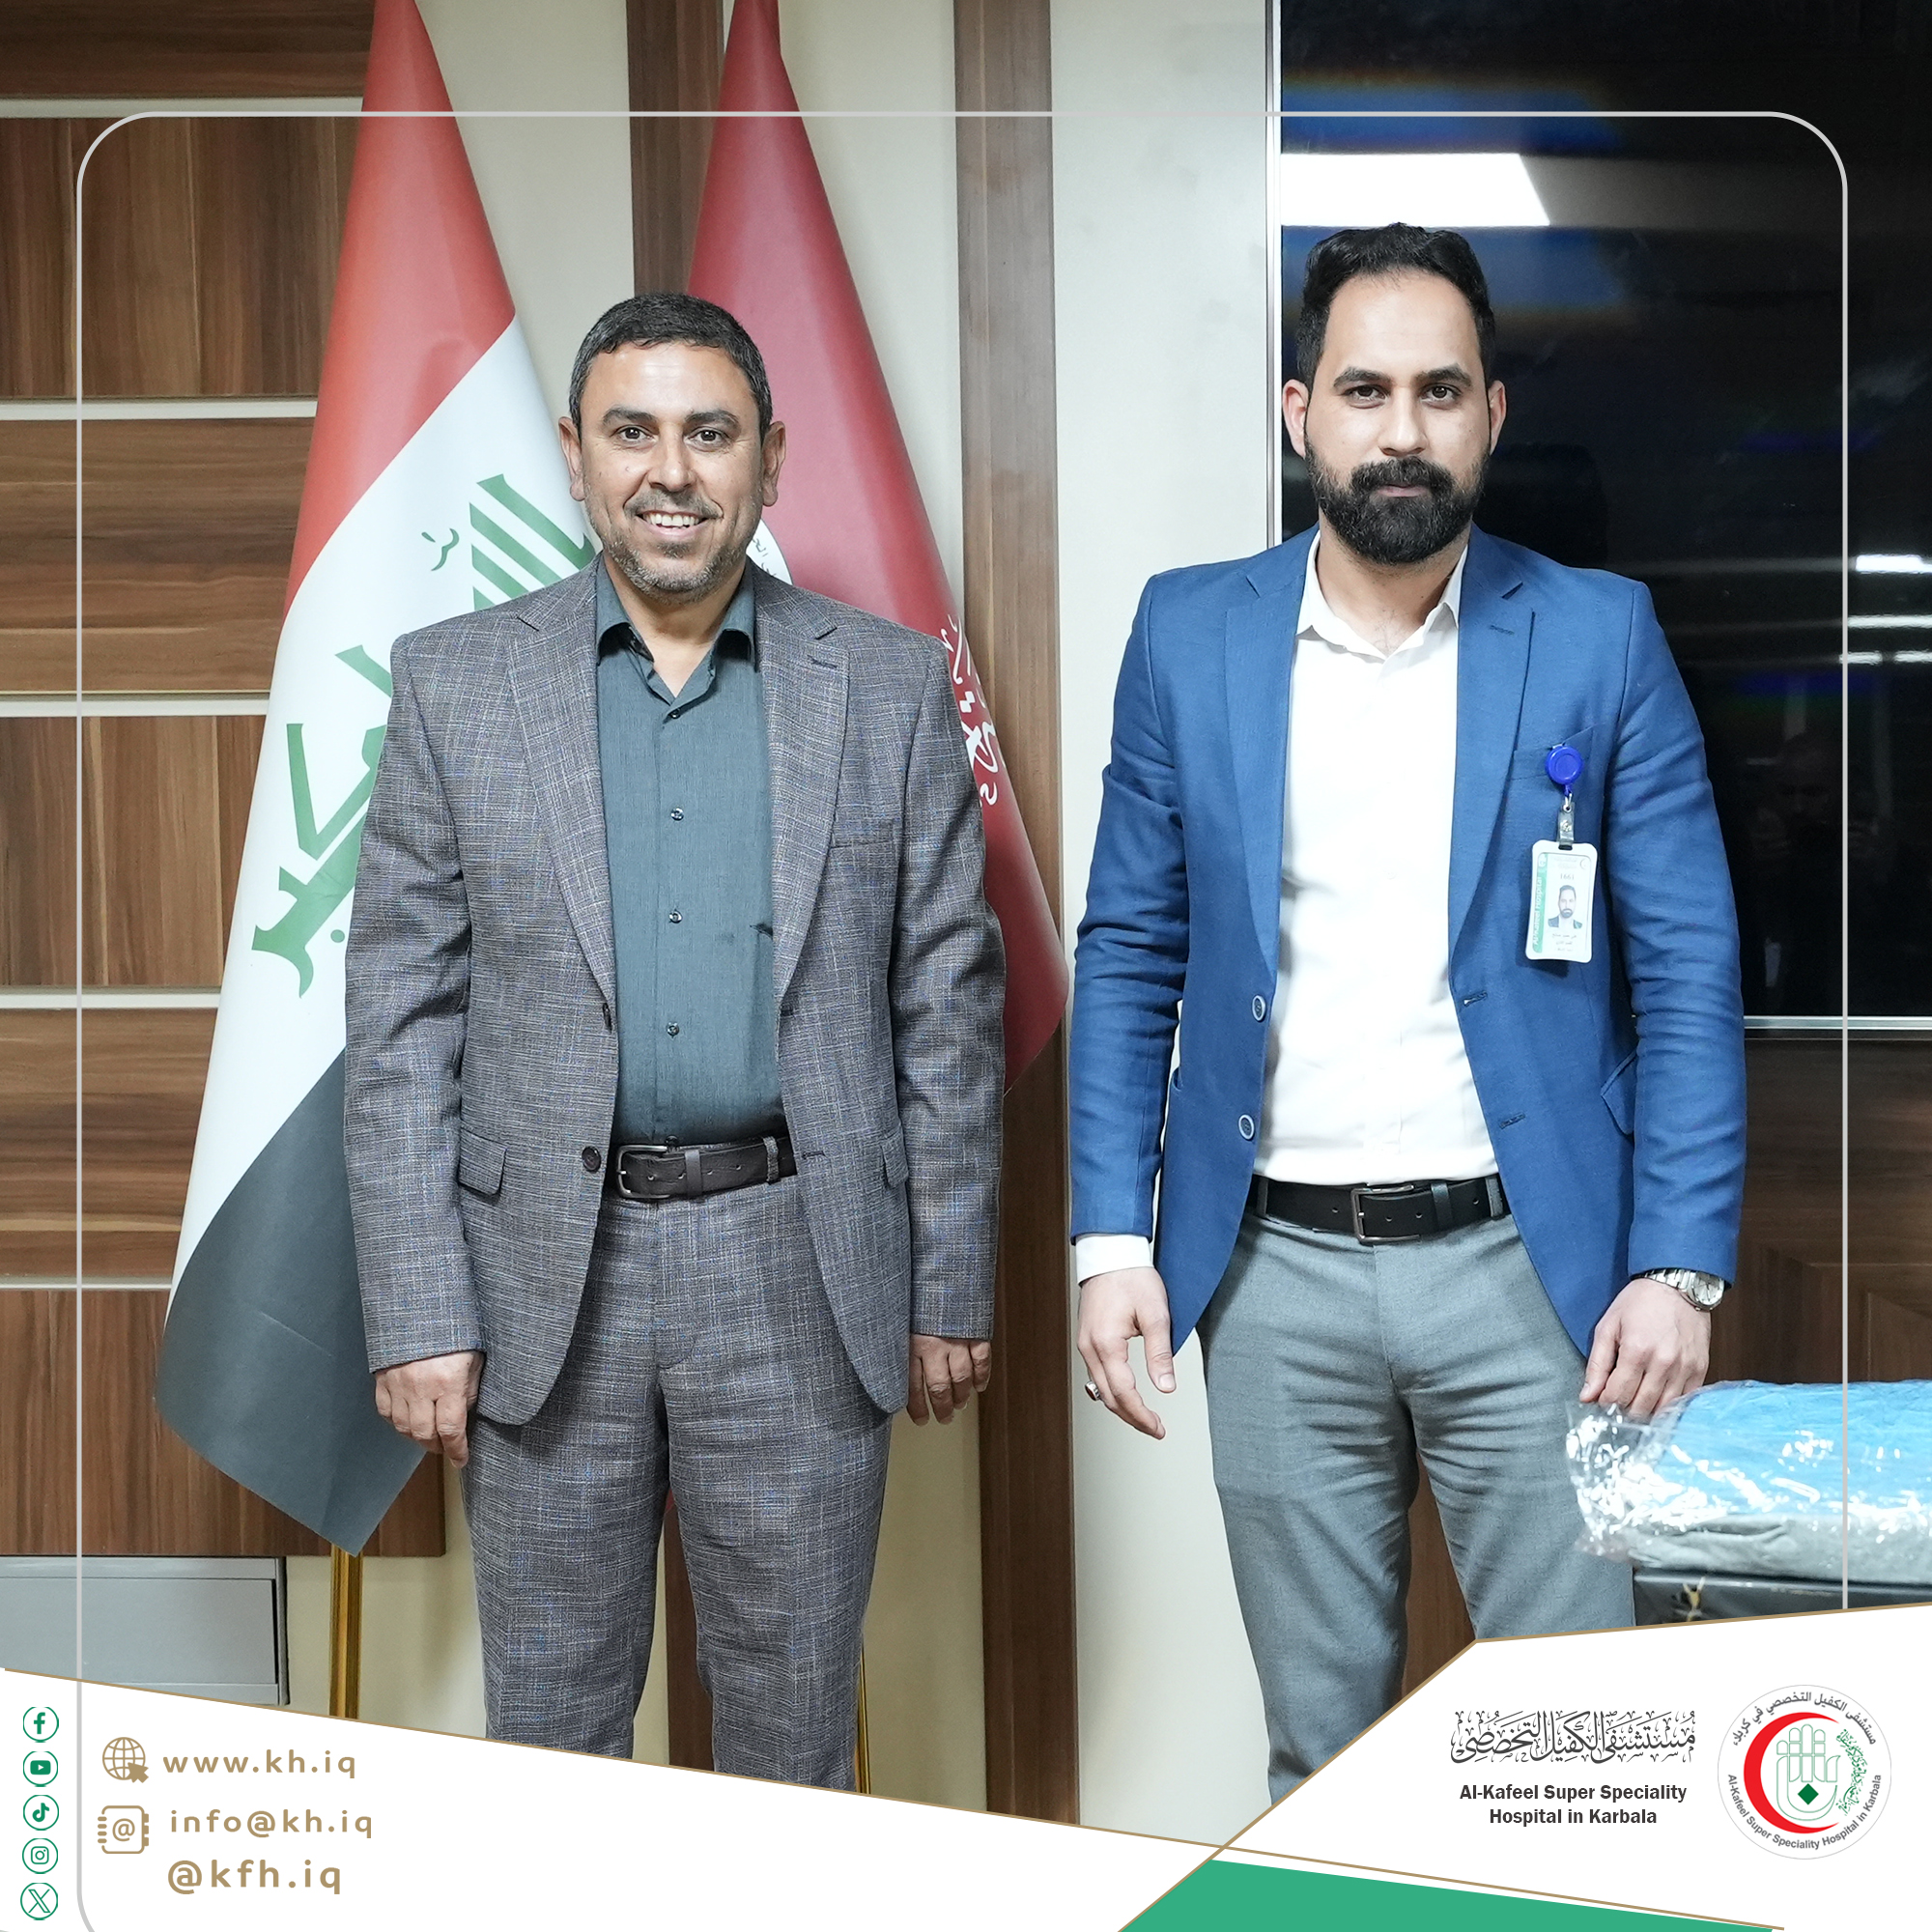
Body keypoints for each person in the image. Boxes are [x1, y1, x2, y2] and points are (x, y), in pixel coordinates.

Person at [1068, 224, 1745, 1800]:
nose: (1401, 430)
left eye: (1440, 391)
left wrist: (1678, 1267)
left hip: (1534, 1275)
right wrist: (1110, 1241)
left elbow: (1689, 973)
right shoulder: (1188, 633)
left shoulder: (1597, 636)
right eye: (1364, 390)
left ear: (1492, 415)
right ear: (1298, 409)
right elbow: (1129, 951)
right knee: (1324, 1757)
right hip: (1273, 1277)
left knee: (1576, 1756)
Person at [343, 292, 1004, 1787]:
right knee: (553, 1742)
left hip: (799, 1266)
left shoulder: (890, 685)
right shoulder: (455, 683)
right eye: (632, 432)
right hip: (541, 1285)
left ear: (772, 456)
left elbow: (949, 1010)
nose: (671, 470)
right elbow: (399, 1022)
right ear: (575, 454)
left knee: (792, 1741)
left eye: (711, 433)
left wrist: (950, 1277)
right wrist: (418, 1307)